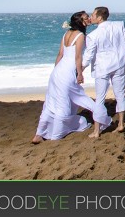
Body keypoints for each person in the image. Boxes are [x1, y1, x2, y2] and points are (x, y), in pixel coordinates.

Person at [32, 12, 112, 144]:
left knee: (51, 103)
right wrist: (80, 73)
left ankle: (39, 134)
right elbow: (77, 57)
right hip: (68, 71)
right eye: (86, 18)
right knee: (67, 102)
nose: (88, 19)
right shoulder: (80, 35)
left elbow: (59, 55)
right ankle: (56, 135)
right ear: (80, 21)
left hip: (57, 72)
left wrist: (55, 71)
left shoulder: (66, 34)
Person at [83, 6, 125, 135]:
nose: (91, 17)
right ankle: (120, 124)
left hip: (102, 67)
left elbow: (88, 56)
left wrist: (80, 69)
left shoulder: (92, 35)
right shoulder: (119, 25)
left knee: (99, 98)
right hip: (119, 64)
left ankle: (97, 130)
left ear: (99, 18)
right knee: (120, 93)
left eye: (93, 15)